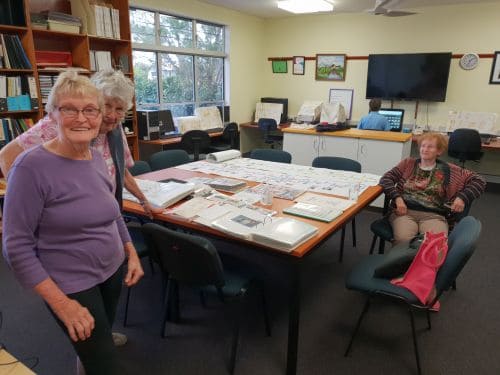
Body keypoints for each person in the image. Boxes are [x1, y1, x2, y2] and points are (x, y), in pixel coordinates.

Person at [0, 70, 160, 346]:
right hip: (68, 252)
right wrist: (31, 204)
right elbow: (8, 157)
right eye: (107, 105)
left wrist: (143, 200)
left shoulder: (110, 135)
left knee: (100, 326)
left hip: (106, 231)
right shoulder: (60, 127)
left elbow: (120, 174)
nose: (110, 115)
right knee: (95, 350)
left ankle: (98, 341)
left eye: (118, 109)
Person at [379, 132, 485, 244]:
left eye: (430, 147)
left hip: (434, 215)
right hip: (405, 212)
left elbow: (479, 181)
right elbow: (386, 179)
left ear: (439, 151)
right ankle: (404, 262)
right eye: (423, 146)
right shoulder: (408, 163)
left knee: (435, 244)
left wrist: (462, 198)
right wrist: (398, 199)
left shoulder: (449, 169)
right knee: (404, 241)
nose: (425, 149)